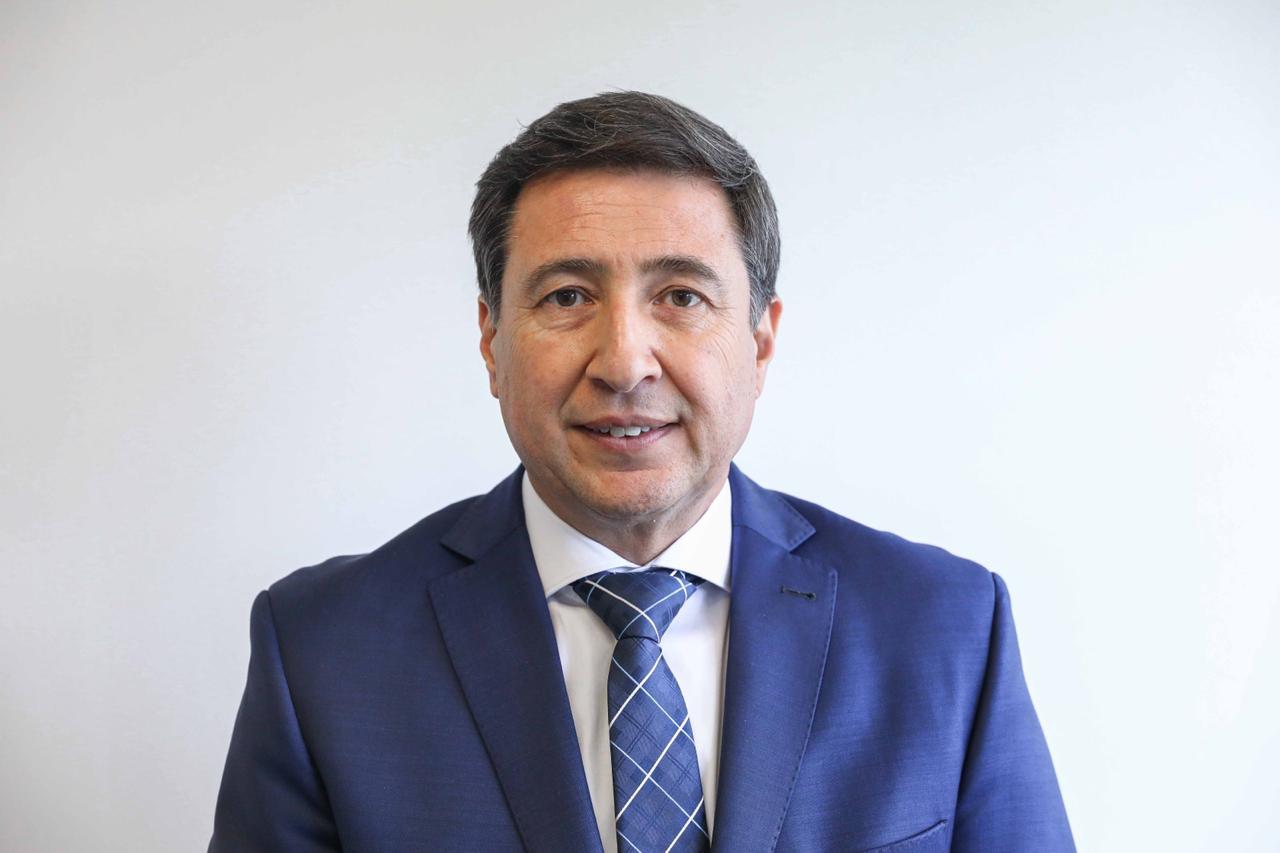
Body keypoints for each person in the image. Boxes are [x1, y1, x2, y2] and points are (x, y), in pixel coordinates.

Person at [209, 91, 1075, 853]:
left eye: (682, 296)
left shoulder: (946, 629)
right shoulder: (323, 652)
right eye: (567, 296)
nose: (624, 362)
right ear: (490, 339)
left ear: (760, 342)